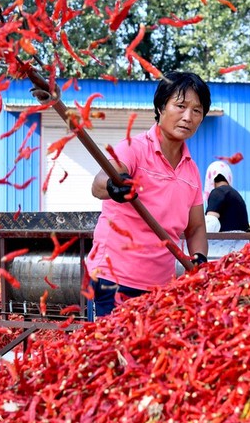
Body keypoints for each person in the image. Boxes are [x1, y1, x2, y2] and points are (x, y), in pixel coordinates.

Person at [86, 71, 211, 318]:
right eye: (180, 106)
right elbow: (98, 184)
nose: (188, 117)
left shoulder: (191, 170)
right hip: (113, 280)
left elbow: (195, 228)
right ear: (161, 107)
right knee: (110, 354)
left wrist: (199, 258)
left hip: (159, 289)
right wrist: (114, 187)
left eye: (197, 111)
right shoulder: (133, 149)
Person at [204, 162, 250, 232]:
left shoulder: (217, 192)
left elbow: (210, 223)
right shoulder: (236, 195)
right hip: (242, 240)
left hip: (226, 241)